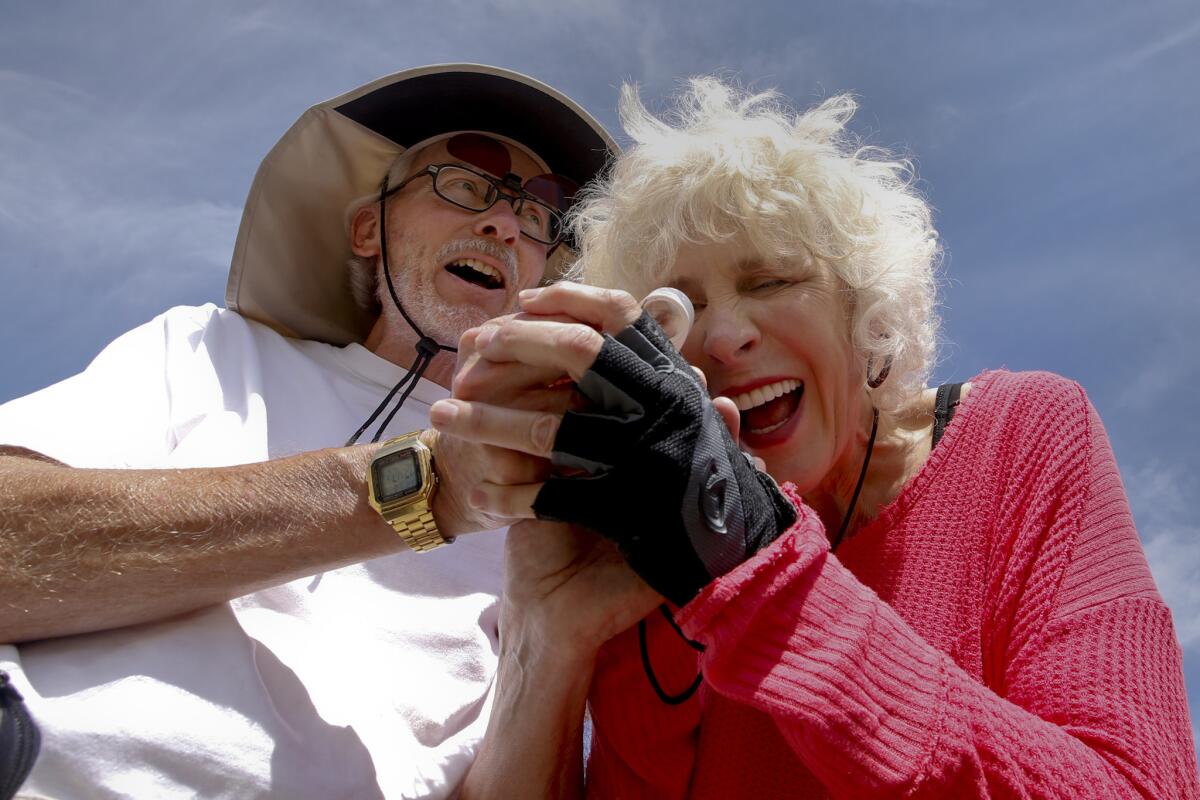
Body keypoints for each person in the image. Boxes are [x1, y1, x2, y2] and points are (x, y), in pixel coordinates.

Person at [433, 78, 1200, 798]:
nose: (727, 335)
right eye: (681, 309)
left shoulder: (1021, 432)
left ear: (865, 312)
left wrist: (761, 561)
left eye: (772, 281)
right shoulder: (651, 556)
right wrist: (548, 628)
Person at [0, 64, 615, 799]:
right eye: (467, 186)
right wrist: (426, 485)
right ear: (367, 229)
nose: (504, 224)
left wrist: (552, 641)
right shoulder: (210, 350)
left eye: (538, 214)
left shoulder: (555, 497)